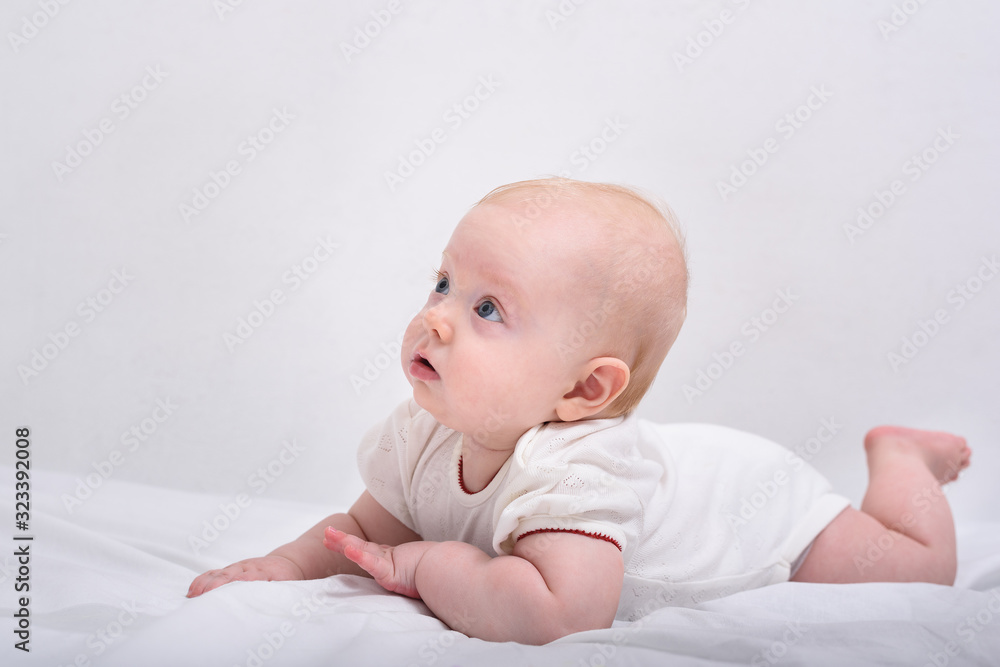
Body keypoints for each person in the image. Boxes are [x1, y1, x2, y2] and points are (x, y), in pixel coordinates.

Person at [187, 177, 971, 645]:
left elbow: (560, 613)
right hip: (689, 465)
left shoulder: (579, 471)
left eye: (488, 307)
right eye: (443, 282)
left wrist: (428, 564)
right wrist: (282, 566)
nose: (438, 317)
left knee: (920, 567)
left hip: (759, 516)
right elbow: (361, 533)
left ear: (585, 391)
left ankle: (900, 458)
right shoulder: (424, 433)